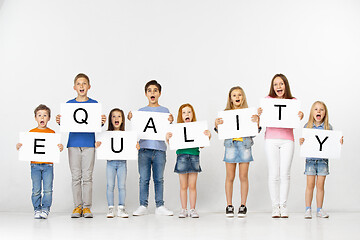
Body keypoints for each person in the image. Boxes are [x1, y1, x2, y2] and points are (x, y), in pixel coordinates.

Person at [56, 73, 106, 218]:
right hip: (73, 144)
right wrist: (60, 121)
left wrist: (101, 121)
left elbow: (96, 125)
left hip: (89, 143)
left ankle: (87, 207)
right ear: (74, 87)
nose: (82, 86)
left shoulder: (94, 104)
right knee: (76, 176)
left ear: (89, 86)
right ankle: (77, 207)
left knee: (88, 176)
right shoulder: (69, 105)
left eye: (84, 83)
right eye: (79, 83)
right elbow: (66, 124)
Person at [258, 74, 304, 218]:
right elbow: (260, 122)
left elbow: (294, 121)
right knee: (274, 174)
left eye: (281, 84)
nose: (279, 87)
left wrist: (299, 116)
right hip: (271, 139)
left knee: (285, 174)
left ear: (286, 85)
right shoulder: (267, 101)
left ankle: (283, 205)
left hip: (287, 139)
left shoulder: (293, 101)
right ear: (272, 87)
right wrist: (259, 115)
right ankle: (275, 206)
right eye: (276, 84)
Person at [128, 80, 174, 216]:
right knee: (144, 178)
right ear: (146, 94)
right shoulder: (141, 112)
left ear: (159, 93)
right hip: (144, 149)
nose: (152, 93)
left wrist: (171, 122)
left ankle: (160, 205)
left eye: (155, 90)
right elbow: (136, 129)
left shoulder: (165, 111)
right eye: (149, 90)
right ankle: (143, 205)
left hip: (160, 150)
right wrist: (131, 118)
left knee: (159, 179)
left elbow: (169, 133)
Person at [215, 86, 259, 217]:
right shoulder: (225, 113)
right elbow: (221, 132)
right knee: (230, 177)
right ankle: (229, 205)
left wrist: (257, 122)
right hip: (231, 146)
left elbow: (254, 132)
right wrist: (217, 125)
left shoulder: (249, 113)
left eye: (239, 95)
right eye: (234, 95)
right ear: (230, 98)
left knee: (243, 177)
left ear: (243, 97)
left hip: (245, 145)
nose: (237, 97)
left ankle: (243, 205)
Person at [16, 104, 63, 219]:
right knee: (36, 190)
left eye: (45, 115)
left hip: (48, 165)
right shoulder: (31, 133)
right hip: (35, 165)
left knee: (48, 189)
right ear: (35, 118)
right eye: (39, 115)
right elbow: (26, 147)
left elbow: (55, 148)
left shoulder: (52, 133)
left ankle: (46, 209)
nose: (42, 118)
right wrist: (20, 146)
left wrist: (59, 148)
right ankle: (37, 209)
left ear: (49, 118)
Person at [166, 103, 211, 218]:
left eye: (189, 112)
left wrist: (208, 136)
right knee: (183, 186)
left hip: (194, 156)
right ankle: (183, 209)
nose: (187, 114)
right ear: (181, 115)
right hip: (181, 156)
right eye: (184, 112)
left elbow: (201, 145)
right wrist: (168, 138)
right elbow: (172, 143)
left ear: (193, 114)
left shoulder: (197, 128)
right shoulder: (177, 128)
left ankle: (192, 209)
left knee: (192, 185)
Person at [300, 101, 343, 219]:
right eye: (316, 109)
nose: (318, 111)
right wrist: (301, 142)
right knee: (310, 185)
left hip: (323, 161)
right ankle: (308, 209)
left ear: (325, 113)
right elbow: (304, 143)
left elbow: (331, 144)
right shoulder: (307, 126)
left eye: (321, 109)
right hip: (310, 160)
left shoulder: (328, 127)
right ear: (312, 113)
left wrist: (338, 143)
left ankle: (319, 209)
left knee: (320, 185)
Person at [95, 108, 140, 218]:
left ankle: (121, 208)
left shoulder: (126, 135)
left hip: (122, 163)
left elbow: (131, 147)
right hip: (110, 163)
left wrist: (136, 147)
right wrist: (98, 145)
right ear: (110, 119)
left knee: (121, 186)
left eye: (119, 116)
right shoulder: (105, 134)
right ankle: (111, 208)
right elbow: (100, 146)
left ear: (123, 120)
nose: (116, 118)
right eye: (114, 116)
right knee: (110, 185)